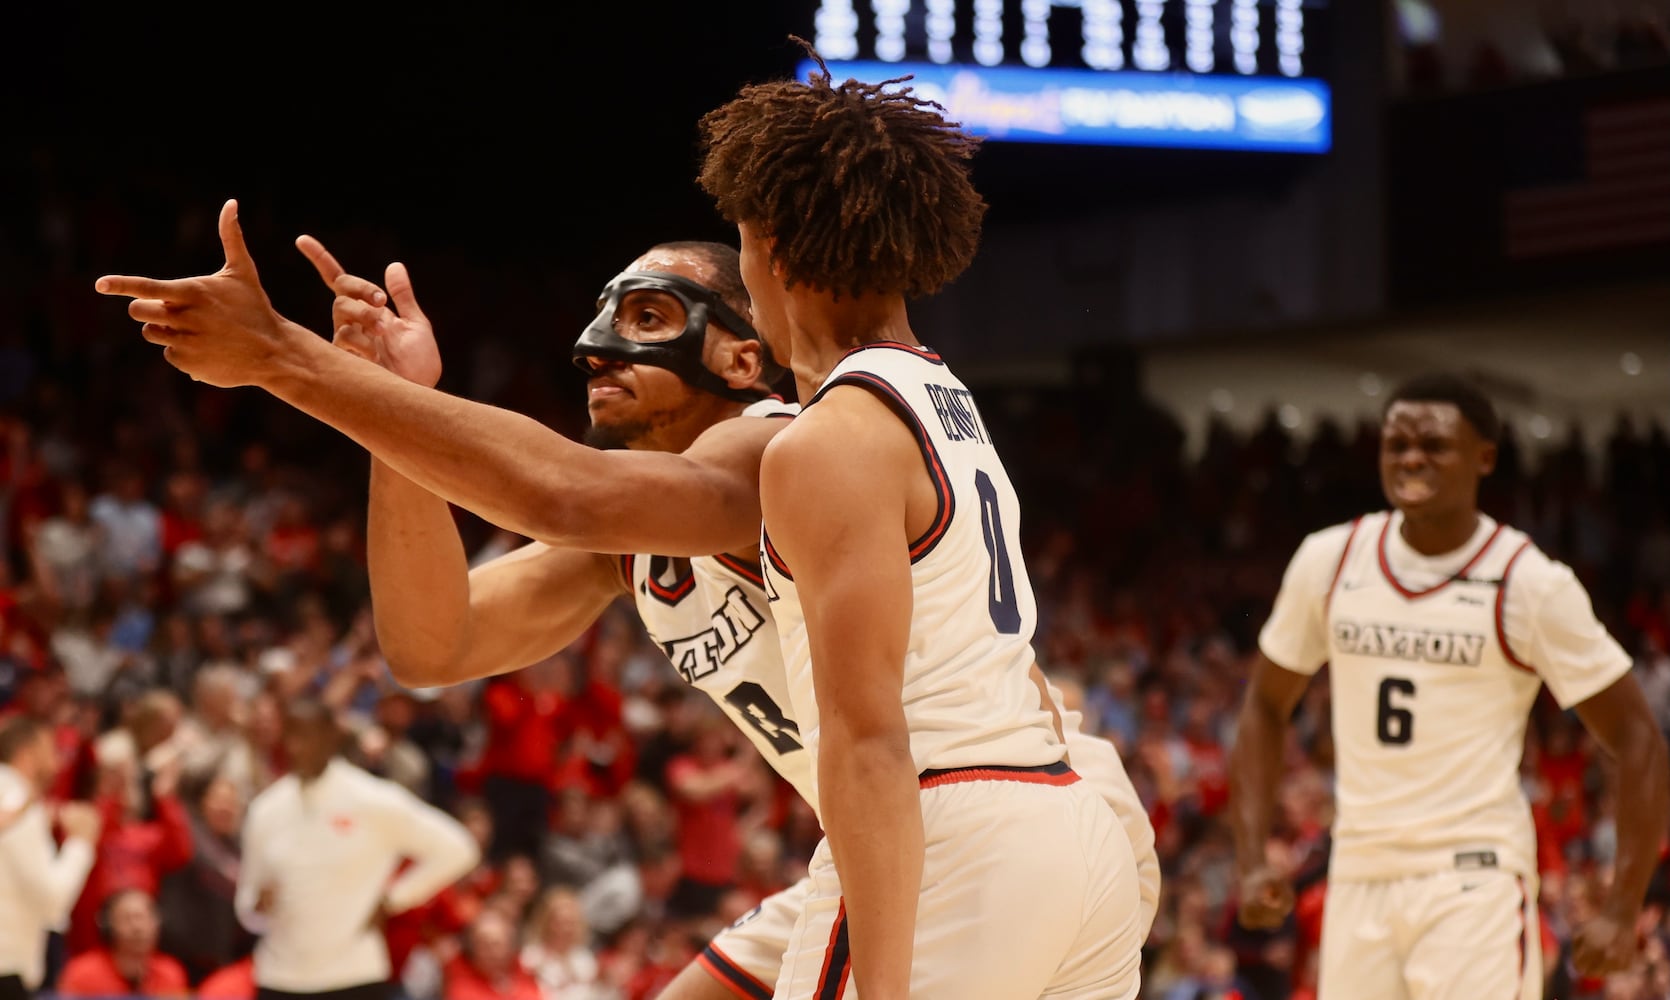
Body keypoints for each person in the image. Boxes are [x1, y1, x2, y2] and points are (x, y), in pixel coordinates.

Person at [94, 216, 1159, 996]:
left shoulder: (770, 443)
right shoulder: (640, 537)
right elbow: (433, 641)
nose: (599, 345)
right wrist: (397, 415)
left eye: (646, 316)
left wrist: (290, 361)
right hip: (985, 828)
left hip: (951, 823)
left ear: (742, 354)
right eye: (601, 318)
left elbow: (557, 485)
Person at [694, 43, 1144, 999]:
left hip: (953, 831)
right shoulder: (943, 395)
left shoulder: (830, 440)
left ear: (770, 249)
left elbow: (869, 740)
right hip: (1065, 819)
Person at [1227, 373, 1670, 999]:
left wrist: (1625, 907)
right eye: (1396, 443)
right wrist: (1249, 861)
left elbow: (1637, 736)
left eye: (1434, 445)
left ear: (1484, 457)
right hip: (1357, 872)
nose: (1411, 457)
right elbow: (1265, 706)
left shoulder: (1529, 582)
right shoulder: (1330, 560)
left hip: (1474, 879)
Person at [236, 698, 480, 1000]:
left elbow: (459, 848)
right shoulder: (266, 810)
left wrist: (394, 899)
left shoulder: (372, 800)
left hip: (353, 975)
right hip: (279, 976)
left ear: (331, 737)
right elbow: (246, 900)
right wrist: (257, 907)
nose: (297, 746)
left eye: (307, 735)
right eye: (291, 735)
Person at [0, 714, 102, 1000]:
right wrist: (81, 842)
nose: (58, 762)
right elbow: (52, 901)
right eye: (51, 750)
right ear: (27, 754)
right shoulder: (17, 800)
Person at [56, 887, 190, 997]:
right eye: (127, 919)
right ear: (108, 926)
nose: (138, 927)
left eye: (144, 918)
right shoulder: (82, 974)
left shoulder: (170, 974)